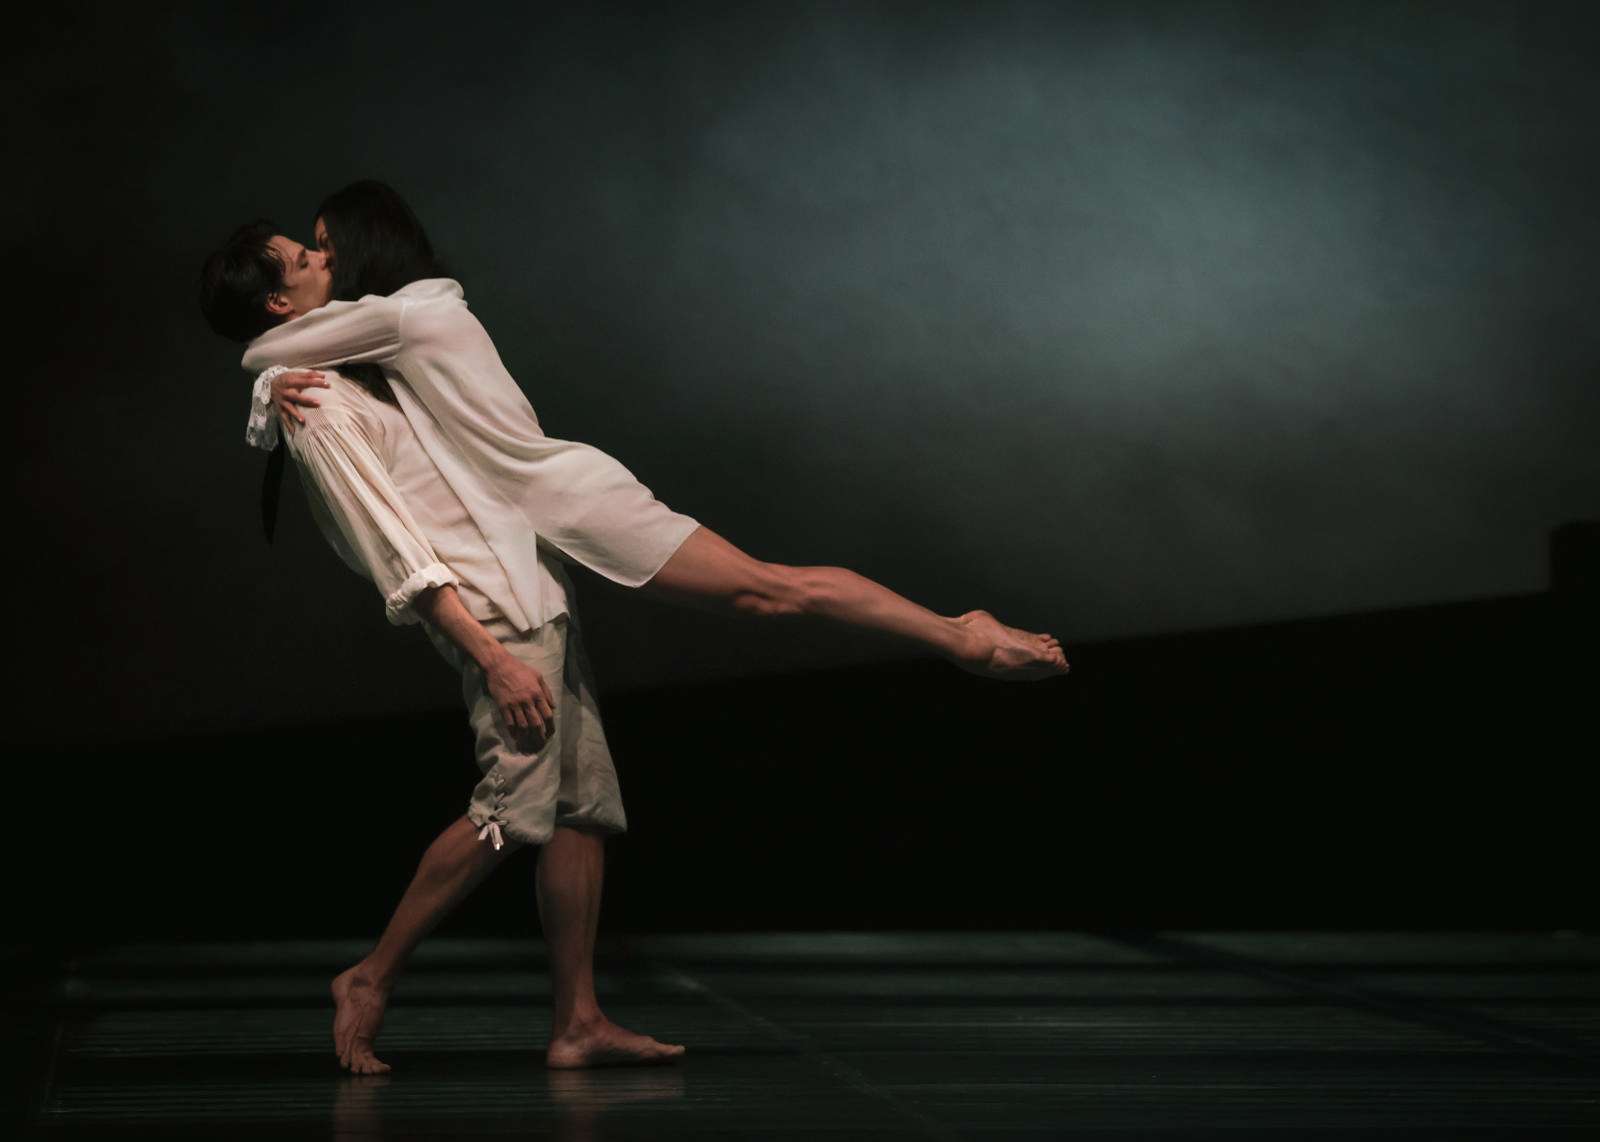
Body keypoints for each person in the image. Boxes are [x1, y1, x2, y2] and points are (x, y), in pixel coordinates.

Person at [237, 180, 1071, 682]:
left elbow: (261, 348)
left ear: (364, 246)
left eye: (324, 248)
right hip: (533, 517)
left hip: (566, 496)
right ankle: (960, 636)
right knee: (769, 592)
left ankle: (962, 636)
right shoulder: (413, 313)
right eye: (310, 254)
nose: (322, 263)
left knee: (771, 591)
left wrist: (272, 382)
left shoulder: (402, 317)